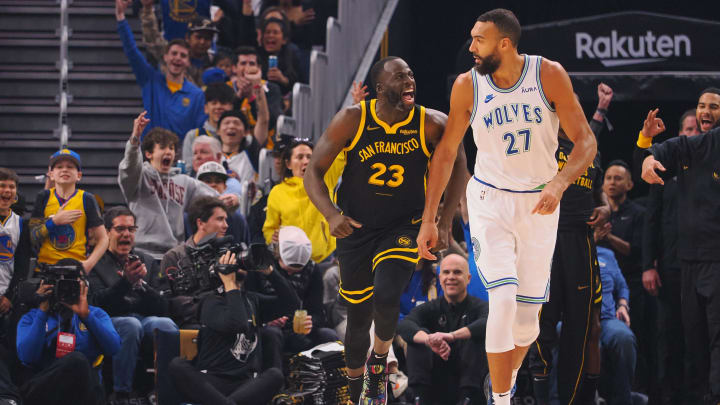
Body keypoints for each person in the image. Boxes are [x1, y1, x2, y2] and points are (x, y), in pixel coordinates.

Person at [416, 9, 597, 404]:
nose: (471, 47)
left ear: (504, 43)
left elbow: (586, 142)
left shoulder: (547, 75)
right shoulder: (468, 86)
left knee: (528, 324)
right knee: (502, 296)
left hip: (539, 205)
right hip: (489, 201)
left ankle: (506, 377)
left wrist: (560, 182)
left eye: (478, 39)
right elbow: (446, 154)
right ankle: (500, 399)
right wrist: (430, 218)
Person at [305, 56, 467, 404]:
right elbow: (313, 172)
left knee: (388, 291)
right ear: (380, 88)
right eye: (399, 76)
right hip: (356, 229)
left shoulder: (430, 123)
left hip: (403, 225)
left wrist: (443, 220)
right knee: (359, 318)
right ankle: (353, 388)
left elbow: (459, 161)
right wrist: (331, 214)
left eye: (411, 74)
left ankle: (379, 364)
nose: (409, 80)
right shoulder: (352, 119)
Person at [529, 84, 613, 405]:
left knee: (583, 331)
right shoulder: (538, 144)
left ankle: (577, 400)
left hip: (581, 241)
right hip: (545, 241)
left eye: (576, 108)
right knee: (541, 330)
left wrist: (605, 206)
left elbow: (598, 187)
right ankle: (537, 399)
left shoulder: (589, 147)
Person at [639, 88, 720, 405]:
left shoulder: (710, 141)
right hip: (686, 263)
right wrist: (647, 150)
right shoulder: (688, 150)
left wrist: (652, 153)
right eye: (701, 105)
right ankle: (702, 394)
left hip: (717, 260)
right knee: (693, 337)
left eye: (714, 106)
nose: (706, 111)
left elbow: (675, 146)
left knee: (717, 336)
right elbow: (654, 158)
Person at [167, 250, 297, 405]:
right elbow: (237, 324)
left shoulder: (252, 299)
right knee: (177, 365)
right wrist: (229, 283)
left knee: (275, 375)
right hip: (211, 382)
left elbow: (292, 303)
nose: (237, 263)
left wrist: (270, 272)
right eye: (231, 261)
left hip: (245, 384)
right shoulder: (209, 302)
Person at [87, 207, 178, 402]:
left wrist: (142, 287)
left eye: (131, 229)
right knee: (130, 325)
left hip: (143, 319)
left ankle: (164, 391)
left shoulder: (147, 261)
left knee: (165, 325)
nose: (126, 235)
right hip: (108, 320)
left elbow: (163, 307)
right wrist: (125, 283)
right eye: (120, 229)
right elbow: (96, 304)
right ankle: (122, 394)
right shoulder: (94, 260)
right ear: (107, 232)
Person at [640, 108, 699, 404]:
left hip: (704, 266)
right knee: (668, 336)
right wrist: (648, 266)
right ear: (679, 135)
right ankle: (667, 397)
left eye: (697, 130)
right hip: (670, 267)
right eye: (687, 129)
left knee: (698, 337)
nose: (692, 134)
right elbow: (652, 218)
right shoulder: (665, 167)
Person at [16, 260, 121, 405]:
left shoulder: (96, 315)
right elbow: (27, 357)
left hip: (84, 391)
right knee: (75, 360)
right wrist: (42, 313)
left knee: (77, 361)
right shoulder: (32, 316)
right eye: (58, 282)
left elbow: (113, 348)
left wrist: (87, 317)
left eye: (70, 282)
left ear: (85, 286)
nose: (64, 287)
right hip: (45, 390)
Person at [119, 111, 218, 263]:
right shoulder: (139, 177)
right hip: (142, 252)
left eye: (172, 148)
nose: (169, 152)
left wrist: (232, 199)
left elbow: (214, 199)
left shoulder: (184, 181)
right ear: (148, 154)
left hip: (174, 255)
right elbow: (129, 166)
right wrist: (135, 139)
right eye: (163, 147)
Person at [397, 254, 489, 405]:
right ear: (440, 278)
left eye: (457, 272)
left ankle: (468, 400)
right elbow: (405, 325)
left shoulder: (479, 306)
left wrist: (452, 336)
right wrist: (429, 339)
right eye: (446, 272)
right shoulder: (431, 307)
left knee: (476, 337)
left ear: (468, 278)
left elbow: (488, 322)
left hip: (470, 382)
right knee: (417, 339)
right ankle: (419, 399)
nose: (451, 277)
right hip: (435, 379)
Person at [598, 159, 654, 396]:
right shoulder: (594, 214)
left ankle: (631, 391)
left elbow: (636, 250)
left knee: (632, 338)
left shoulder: (639, 214)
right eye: (608, 178)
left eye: (618, 178)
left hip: (629, 285)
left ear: (630, 184)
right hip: (597, 287)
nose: (612, 182)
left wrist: (607, 238)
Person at [246, 226, 337, 369]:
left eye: (297, 270)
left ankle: (333, 384)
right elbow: (248, 303)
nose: (291, 273)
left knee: (328, 335)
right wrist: (266, 320)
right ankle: (275, 383)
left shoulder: (312, 270)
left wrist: (311, 321)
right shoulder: (262, 267)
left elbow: (318, 312)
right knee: (273, 334)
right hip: (267, 327)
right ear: (277, 254)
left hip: (299, 329)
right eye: (287, 268)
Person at [116, 0, 207, 139]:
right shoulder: (150, 80)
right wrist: (121, 17)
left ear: (188, 62)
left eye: (183, 56)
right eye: (174, 53)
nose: (177, 58)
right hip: (149, 155)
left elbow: (198, 132)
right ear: (165, 57)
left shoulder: (197, 95)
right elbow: (131, 51)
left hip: (180, 157)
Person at [29, 150, 108, 273]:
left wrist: (88, 264)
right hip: (44, 270)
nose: (64, 170)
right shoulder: (43, 197)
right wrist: (54, 221)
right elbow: (32, 236)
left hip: (76, 269)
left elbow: (103, 238)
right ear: (51, 174)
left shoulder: (87, 199)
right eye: (59, 167)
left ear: (79, 175)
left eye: (70, 167)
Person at [161, 196, 230, 327]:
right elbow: (168, 304)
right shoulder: (174, 257)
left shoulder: (227, 255)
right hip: (191, 324)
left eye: (226, 220)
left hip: (225, 321)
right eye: (220, 219)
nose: (226, 225)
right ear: (200, 223)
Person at [263, 139, 335, 263]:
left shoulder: (326, 184)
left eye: (310, 157)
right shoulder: (277, 192)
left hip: (323, 259)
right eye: (300, 157)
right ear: (288, 164)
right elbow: (270, 229)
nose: (306, 161)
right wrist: (273, 238)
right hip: (289, 261)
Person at [595, 246, 637, 405]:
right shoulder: (564, 250)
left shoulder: (607, 254)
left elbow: (622, 287)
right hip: (575, 319)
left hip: (606, 318)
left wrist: (622, 305)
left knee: (624, 336)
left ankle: (622, 399)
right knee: (590, 346)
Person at [140, 0, 218, 85]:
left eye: (207, 38)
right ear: (187, 38)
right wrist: (147, 9)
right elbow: (151, 38)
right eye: (198, 37)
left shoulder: (215, 61)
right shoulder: (173, 56)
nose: (202, 42)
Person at [0, 168, 30, 324]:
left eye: (11, 187)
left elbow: (22, 266)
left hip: (7, 299)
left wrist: (9, 296)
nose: (7, 190)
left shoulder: (21, 224)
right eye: (2, 185)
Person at [232, 46, 284, 136]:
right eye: (243, 63)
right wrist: (239, 97)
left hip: (265, 144)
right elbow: (224, 120)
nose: (247, 68)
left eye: (252, 64)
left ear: (259, 68)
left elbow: (271, 122)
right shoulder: (226, 89)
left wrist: (252, 98)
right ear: (234, 68)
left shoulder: (271, 89)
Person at [195, 161, 252, 243]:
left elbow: (246, 249)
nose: (213, 184)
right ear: (197, 184)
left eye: (218, 181)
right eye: (208, 181)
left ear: (225, 187)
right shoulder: (188, 216)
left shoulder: (236, 219)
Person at [182, 83, 236, 165]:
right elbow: (187, 169)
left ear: (232, 107)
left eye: (223, 103)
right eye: (214, 103)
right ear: (206, 108)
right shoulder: (193, 136)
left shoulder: (238, 135)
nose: (218, 107)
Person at [219, 108, 269, 185]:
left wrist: (258, 95)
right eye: (226, 123)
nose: (231, 126)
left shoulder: (252, 155)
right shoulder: (211, 156)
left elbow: (263, 121)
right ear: (218, 131)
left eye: (236, 123)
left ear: (246, 132)